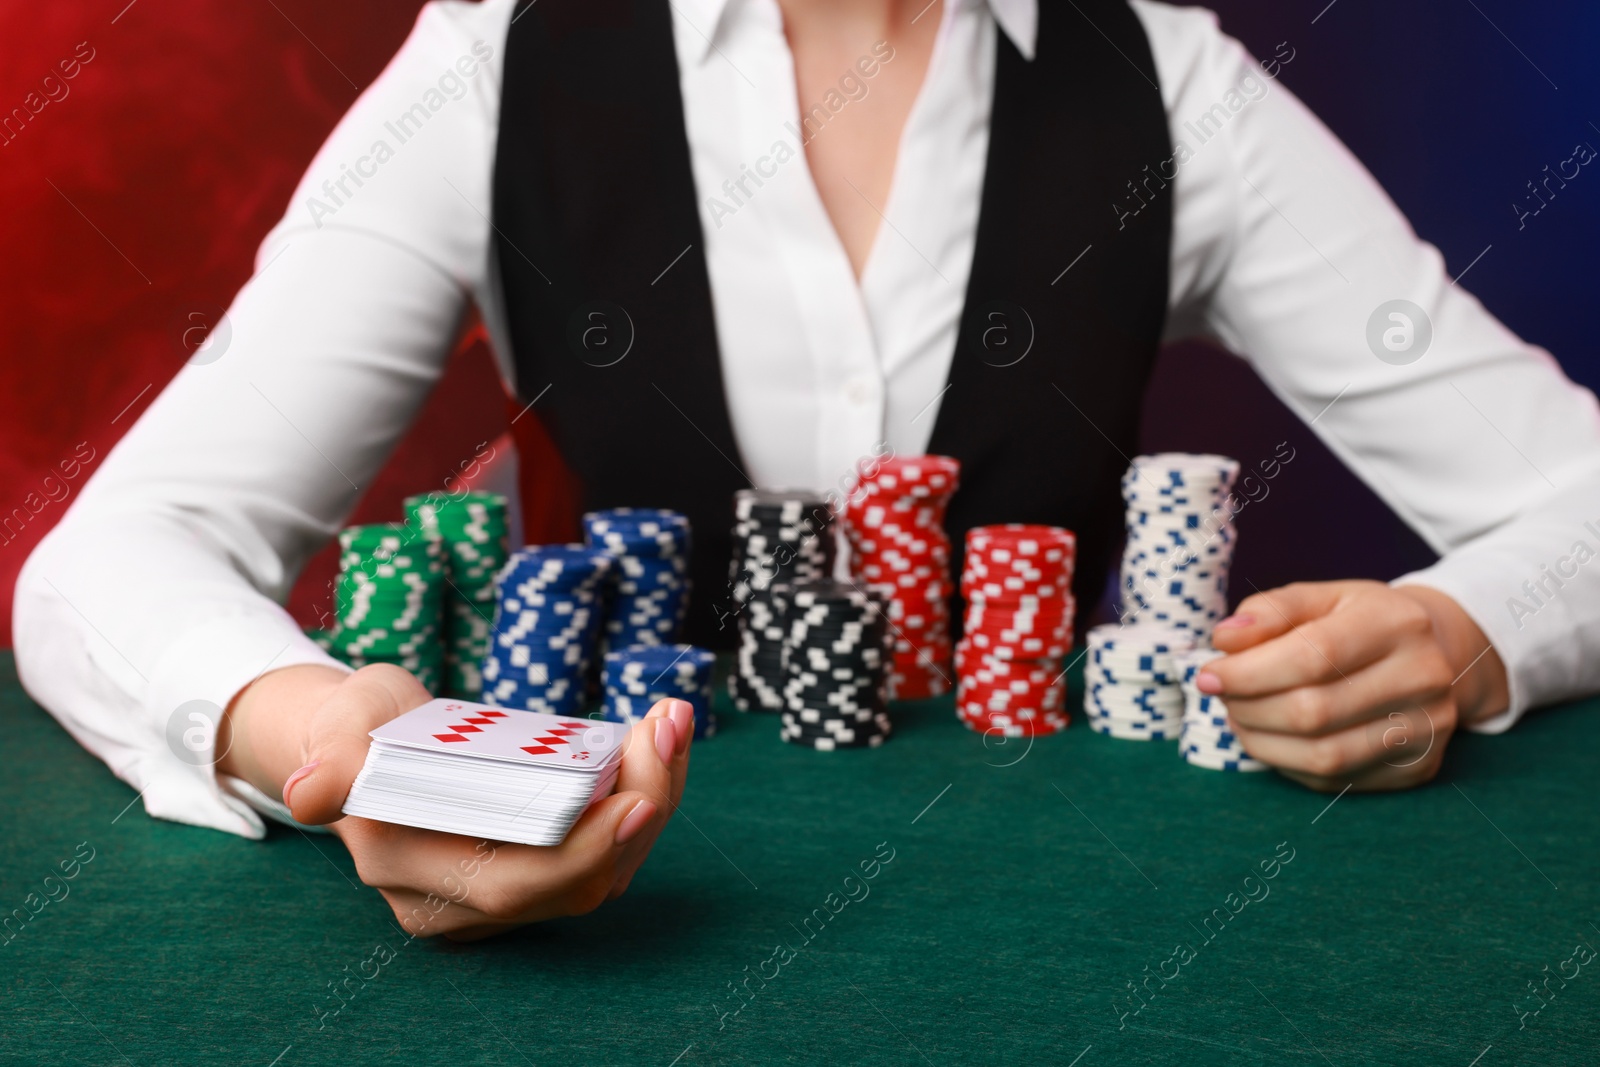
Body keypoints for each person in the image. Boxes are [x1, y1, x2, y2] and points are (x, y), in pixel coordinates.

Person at [15, 0, 1600, 938]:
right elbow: (109, 556)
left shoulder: (1169, 84)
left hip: (1076, 917)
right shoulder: (493, 65)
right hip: (631, 917)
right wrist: (329, 738)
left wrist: (1465, 636)